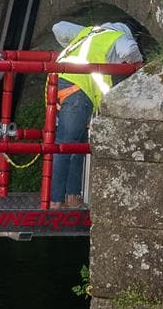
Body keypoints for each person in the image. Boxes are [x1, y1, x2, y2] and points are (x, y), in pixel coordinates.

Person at [48, 19, 141, 208]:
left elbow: (58, 27)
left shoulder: (89, 33)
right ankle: (54, 201)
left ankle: (71, 197)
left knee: (75, 146)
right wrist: (139, 65)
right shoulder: (118, 37)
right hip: (78, 91)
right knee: (65, 145)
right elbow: (129, 51)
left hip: (58, 84)